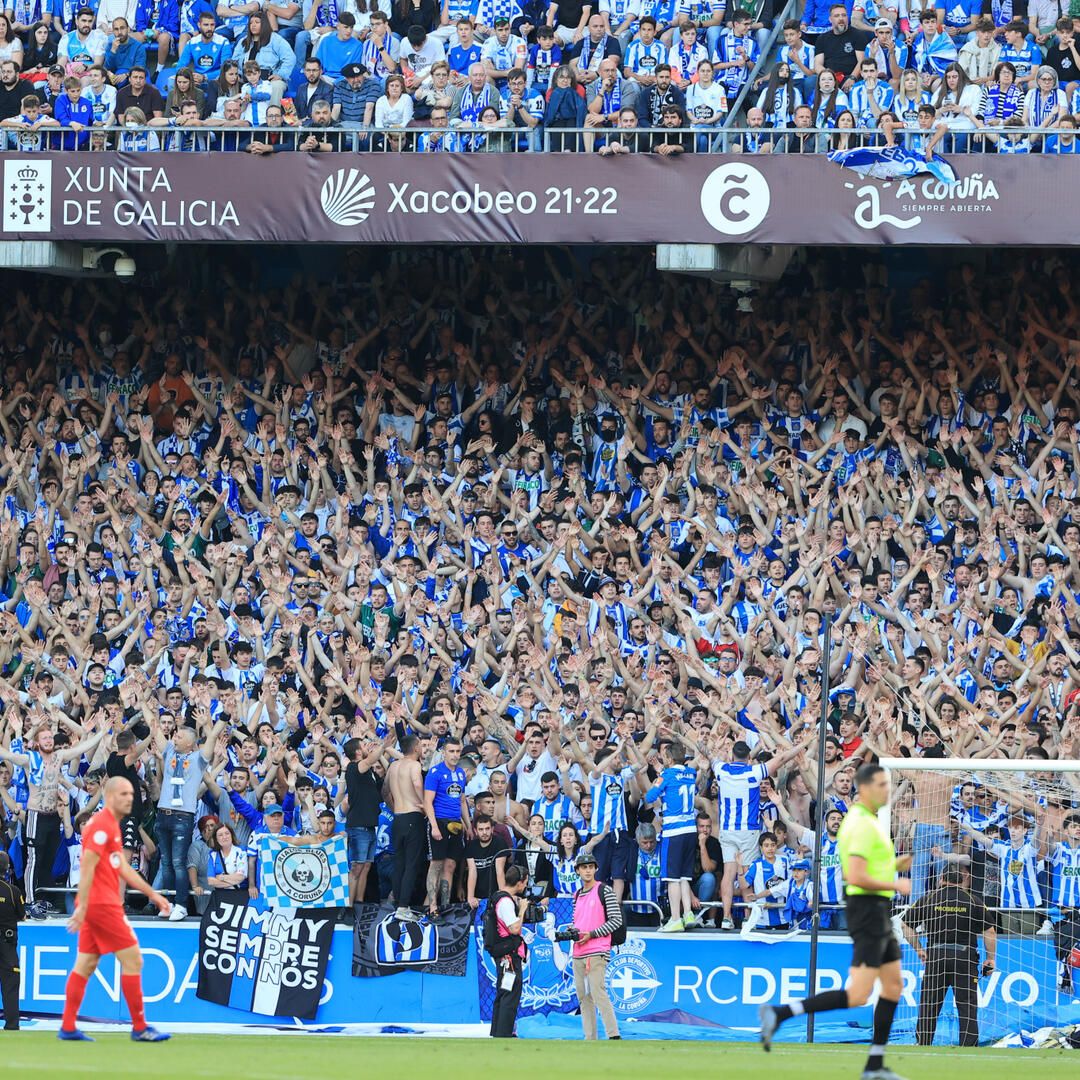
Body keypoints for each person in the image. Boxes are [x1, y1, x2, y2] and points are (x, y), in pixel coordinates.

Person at [759, 763, 912, 1080]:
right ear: (865, 790)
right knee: (859, 994)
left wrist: (893, 865)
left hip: (876, 909)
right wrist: (896, 884)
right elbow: (854, 875)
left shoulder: (867, 822)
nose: (887, 791)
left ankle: (875, 1065)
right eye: (882, 785)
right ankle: (781, 1013)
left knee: (893, 986)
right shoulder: (859, 824)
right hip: (867, 909)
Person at [59, 778, 173, 1043]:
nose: (129, 798)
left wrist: (152, 894)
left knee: (85, 964)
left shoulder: (111, 825)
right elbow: (87, 865)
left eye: (131, 793)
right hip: (101, 905)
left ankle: (67, 1026)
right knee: (133, 960)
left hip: (96, 904)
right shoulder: (100, 825)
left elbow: (120, 867)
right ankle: (140, 1027)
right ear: (109, 795)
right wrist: (84, 906)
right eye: (123, 793)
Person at [900, 865, 996, 1047]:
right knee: (967, 1006)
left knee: (929, 1004)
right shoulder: (973, 900)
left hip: (936, 955)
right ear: (963, 880)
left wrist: (919, 949)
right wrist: (990, 958)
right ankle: (968, 1047)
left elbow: (905, 926)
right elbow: (990, 931)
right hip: (964, 957)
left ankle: (923, 1043)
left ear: (941, 878)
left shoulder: (928, 899)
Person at [570, 849, 623, 1040]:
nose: (587, 871)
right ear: (577, 871)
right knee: (583, 997)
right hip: (579, 951)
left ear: (596, 869)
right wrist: (572, 932)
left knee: (598, 992)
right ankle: (590, 1037)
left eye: (591, 867)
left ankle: (613, 1034)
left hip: (597, 949)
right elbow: (578, 920)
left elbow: (616, 920)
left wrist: (591, 934)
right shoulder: (576, 895)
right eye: (584, 867)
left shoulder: (604, 890)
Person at [486, 863, 529, 1038]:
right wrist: (523, 911)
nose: (525, 886)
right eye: (525, 882)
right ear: (520, 882)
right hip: (508, 954)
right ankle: (504, 1033)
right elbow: (514, 928)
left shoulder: (498, 897)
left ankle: (498, 1032)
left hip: (503, 953)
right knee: (510, 992)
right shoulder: (505, 902)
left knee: (504, 991)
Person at [388, 735, 426, 918]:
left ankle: (398, 905)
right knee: (411, 864)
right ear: (417, 747)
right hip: (413, 815)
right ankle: (403, 907)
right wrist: (425, 804)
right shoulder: (415, 765)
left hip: (398, 817)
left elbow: (385, 792)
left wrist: (393, 807)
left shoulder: (393, 766)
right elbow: (417, 783)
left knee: (399, 863)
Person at [0, 851, 23, 1031]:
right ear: (7, 868)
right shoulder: (13, 891)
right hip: (6, 944)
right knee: (10, 984)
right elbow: (21, 915)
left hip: (6, 942)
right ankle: (12, 1025)